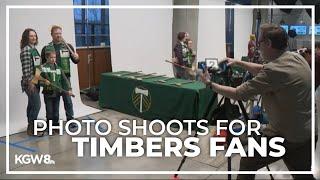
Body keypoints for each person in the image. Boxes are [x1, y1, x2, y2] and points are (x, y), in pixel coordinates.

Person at [201, 24, 315, 179]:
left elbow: (239, 94)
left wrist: (210, 84)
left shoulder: (274, 70)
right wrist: (238, 62)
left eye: (259, 43)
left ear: (268, 43)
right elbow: (264, 69)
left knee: (248, 163)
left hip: (285, 136)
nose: (257, 48)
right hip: (306, 132)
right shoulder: (295, 57)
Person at [41, 25, 80, 127]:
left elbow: (76, 61)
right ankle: (54, 122)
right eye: (56, 33)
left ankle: (71, 120)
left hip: (65, 77)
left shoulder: (68, 47)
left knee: (67, 100)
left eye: (60, 33)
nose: (58, 35)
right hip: (53, 79)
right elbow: (41, 65)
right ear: (52, 35)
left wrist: (77, 57)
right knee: (54, 102)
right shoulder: (46, 48)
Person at [41, 49, 73, 134]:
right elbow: (37, 80)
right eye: (51, 57)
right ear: (47, 58)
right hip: (48, 94)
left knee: (56, 111)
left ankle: (55, 125)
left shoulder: (59, 68)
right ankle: (50, 126)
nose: (53, 59)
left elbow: (65, 79)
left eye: (54, 57)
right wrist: (44, 82)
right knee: (49, 111)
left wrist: (69, 88)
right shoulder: (43, 68)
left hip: (57, 93)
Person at [20, 28, 43, 136]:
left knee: (31, 105)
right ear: (26, 37)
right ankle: (31, 128)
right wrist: (31, 83)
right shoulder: (26, 50)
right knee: (37, 105)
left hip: (36, 81)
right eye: (31, 36)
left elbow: (37, 66)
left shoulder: (34, 49)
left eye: (35, 35)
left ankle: (31, 124)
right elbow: (26, 70)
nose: (34, 37)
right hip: (30, 83)